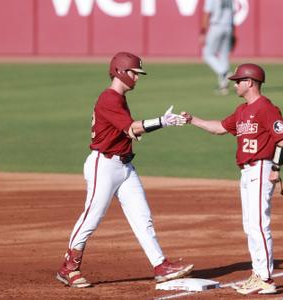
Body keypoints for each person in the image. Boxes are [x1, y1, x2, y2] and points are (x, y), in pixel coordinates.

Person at [56, 52, 193, 288]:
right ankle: (68, 268)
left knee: (143, 217)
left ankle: (160, 265)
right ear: (121, 71)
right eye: (134, 73)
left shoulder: (119, 98)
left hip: (124, 166)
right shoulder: (109, 98)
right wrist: (163, 121)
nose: (137, 78)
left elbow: (126, 132)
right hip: (105, 165)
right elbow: (132, 128)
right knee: (91, 217)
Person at [181, 63, 283, 295]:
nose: (235, 84)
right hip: (246, 171)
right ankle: (259, 273)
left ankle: (266, 279)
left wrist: (276, 167)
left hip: (262, 168)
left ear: (250, 82)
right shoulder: (242, 110)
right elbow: (220, 128)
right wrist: (193, 120)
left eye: (238, 80)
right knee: (250, 225)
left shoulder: (265, 107)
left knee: (259, 224)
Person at [199, 0, 236, 95]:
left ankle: (225, 72)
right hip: (228, 26)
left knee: (207, 54)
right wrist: (233, 32)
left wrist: (203, 32)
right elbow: (233, 13)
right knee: (224, 56)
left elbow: (207, 13)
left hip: (216, 26)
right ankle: (223, 86)